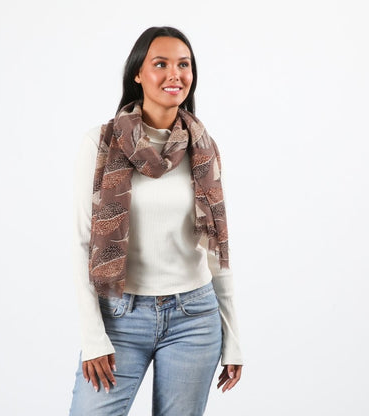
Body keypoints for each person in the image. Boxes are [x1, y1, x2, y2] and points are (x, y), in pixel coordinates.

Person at [69, 26, 243, 416]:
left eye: (184, 64)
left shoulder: (203, 149)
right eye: (160, 64)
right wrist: (93, 337)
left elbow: (217, 251)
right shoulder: (101, 143)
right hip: (119, 318)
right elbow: (82, 243)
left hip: (193, 318)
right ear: (137, 73)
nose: (174, 74)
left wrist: (233, 337)